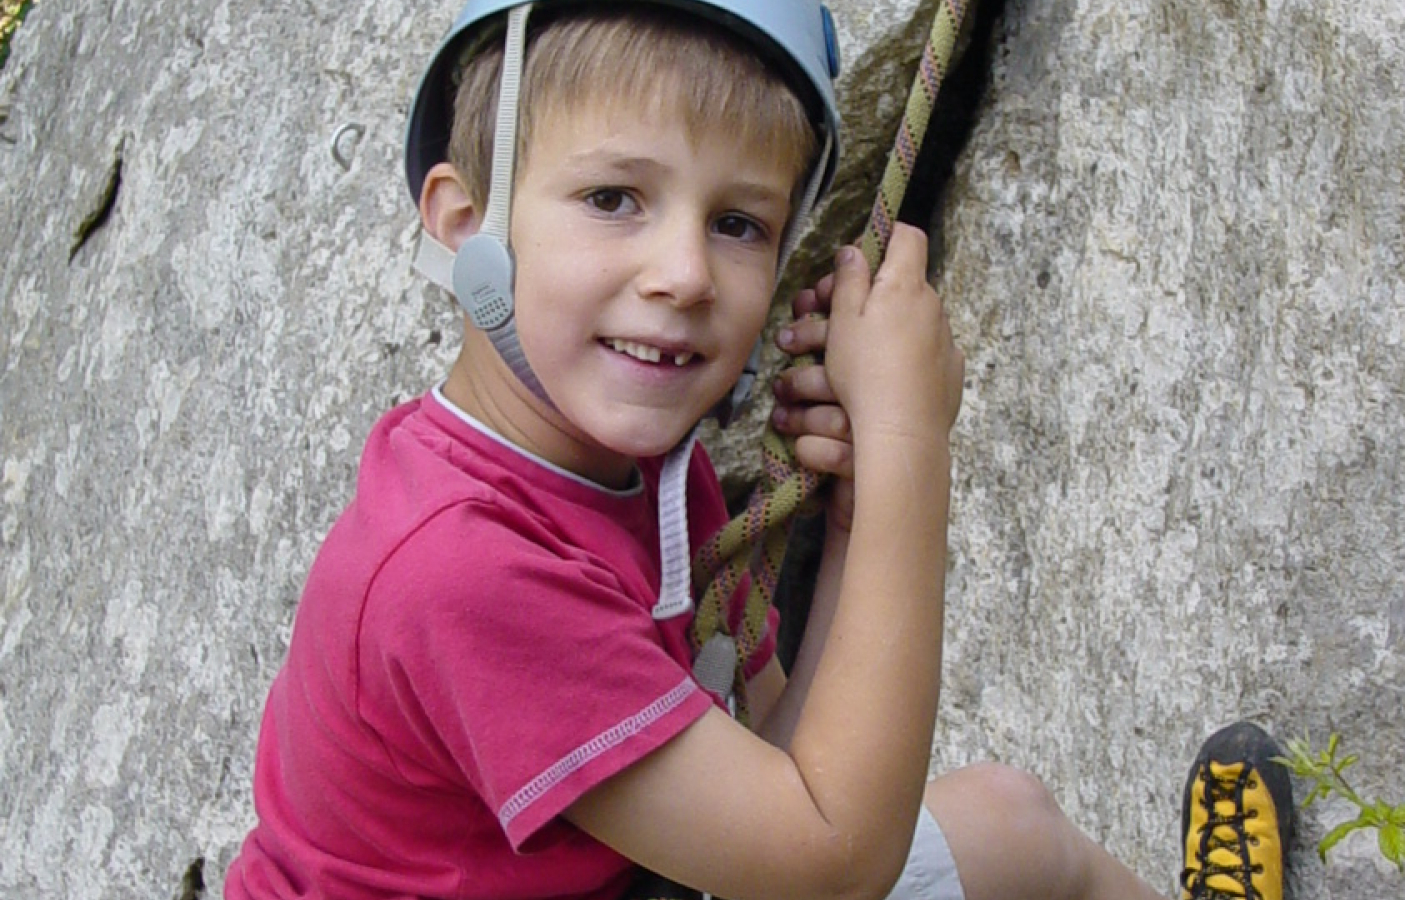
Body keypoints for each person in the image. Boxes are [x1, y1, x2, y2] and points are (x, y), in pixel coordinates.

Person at [225, 2, 1290, 899]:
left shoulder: (625, 468)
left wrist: (858, 499)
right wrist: (914, 446)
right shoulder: (461, 570)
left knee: (1016, 823)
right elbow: (829, 860)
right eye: (613, 200)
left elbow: (777, 745)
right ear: (463, 223)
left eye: (738, 223)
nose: (684, 273)